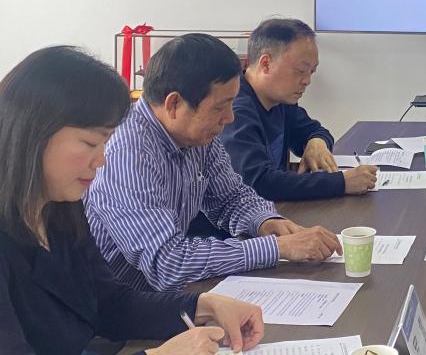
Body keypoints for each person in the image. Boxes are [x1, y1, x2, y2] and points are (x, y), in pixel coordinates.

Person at [0, 45, 264, 355]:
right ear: (34, 133)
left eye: (105, 143)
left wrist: (204, 305)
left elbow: (108, 303)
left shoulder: (59, 206)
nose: (101, 160)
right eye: (90, 143)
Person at [84, 33, 342, 292]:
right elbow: (168, 263)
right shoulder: (129, 155)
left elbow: (231, 197)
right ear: (174, 104)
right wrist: (276, 248)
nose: (230, 118)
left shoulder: (197, 136)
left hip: (164, 295)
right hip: (117, 305)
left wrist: (265, 222)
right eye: (220, 107)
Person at [220, 18, 376, 200]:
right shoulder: (235, 111)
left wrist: (317, 142)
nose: (307, 81)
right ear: (266, 64)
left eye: (312, 72)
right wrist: (341, 182)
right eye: (301, 71)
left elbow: (315, 130)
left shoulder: (280, 101)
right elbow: (259, 183)